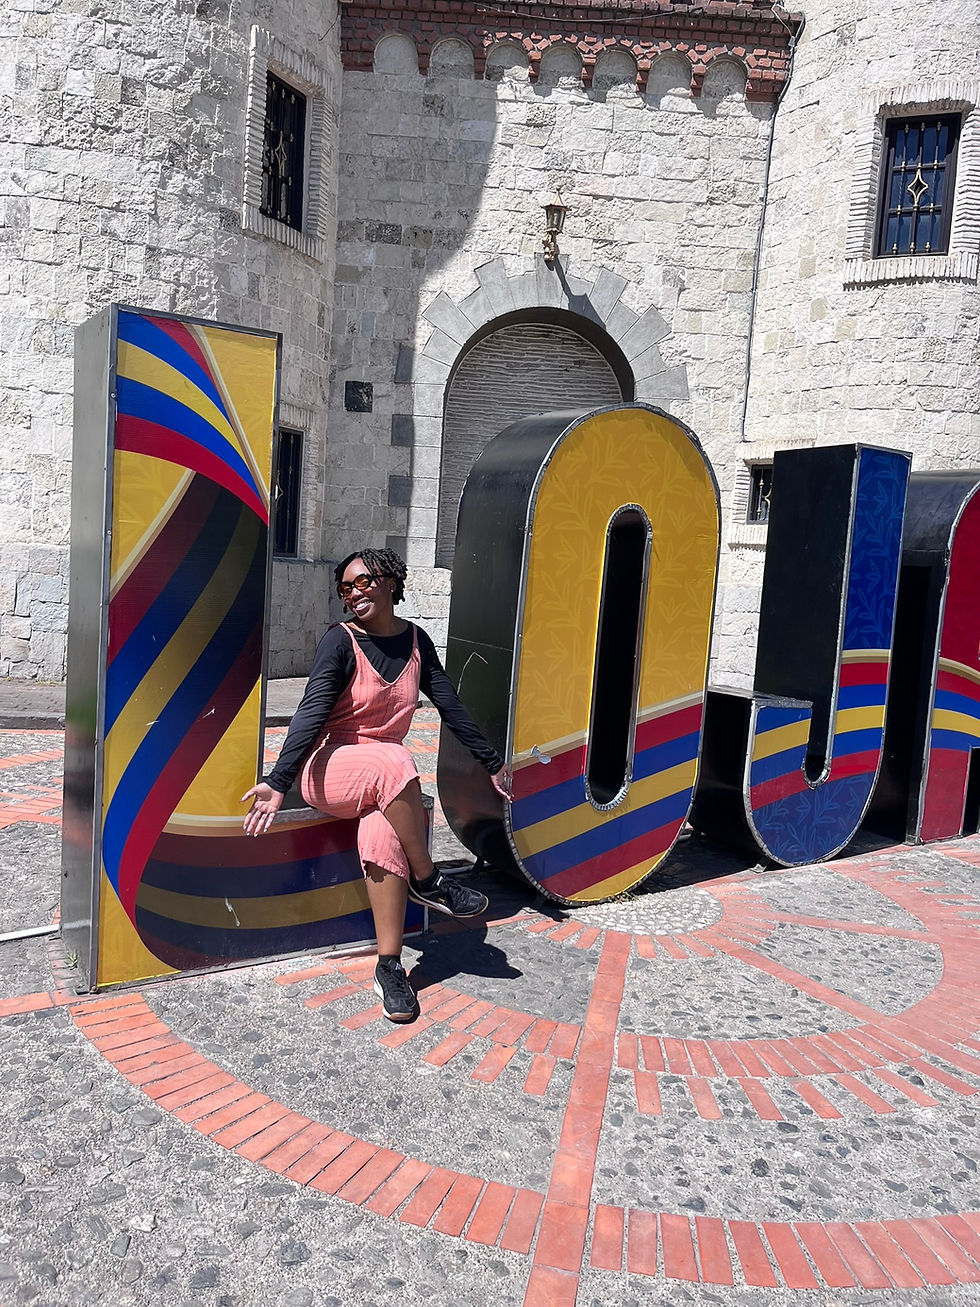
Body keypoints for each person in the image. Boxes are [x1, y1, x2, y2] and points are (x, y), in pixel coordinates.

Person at [242, 547, 511, 1024]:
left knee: (383, 834)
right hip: (330, 766)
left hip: (384, 777)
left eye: (363, 582)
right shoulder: (340, 641)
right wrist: (279, 781)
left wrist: (491, 762)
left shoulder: (416, 642)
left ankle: (389, 965)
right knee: (396, 758)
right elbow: (311, 712)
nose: (353, 593)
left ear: (390, 581)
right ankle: (429, 880)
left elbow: (449, 705)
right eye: (346, 588)